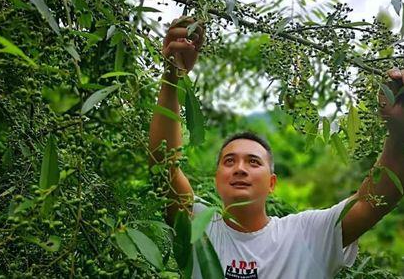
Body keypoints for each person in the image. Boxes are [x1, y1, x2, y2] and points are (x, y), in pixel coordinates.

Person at [148, 17, 404, 278]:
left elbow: (371, 203)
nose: (240, 168)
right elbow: (164, 165)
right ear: (216, 179)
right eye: (229, 161)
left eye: (253, 162)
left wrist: (398, 134)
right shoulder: (199, 227)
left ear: (272, 183)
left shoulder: (307, 235)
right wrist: (172, 76)